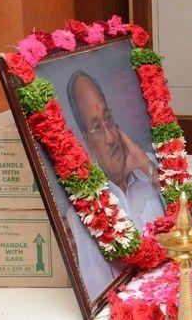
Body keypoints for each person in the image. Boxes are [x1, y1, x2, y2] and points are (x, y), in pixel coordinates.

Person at [66, 70, 165, 294]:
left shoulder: (150, 167)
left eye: (108, 119)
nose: (111, 137)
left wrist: (147, 168)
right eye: (97, 128)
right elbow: (99, 294)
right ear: (85, 138)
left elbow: (188, 220)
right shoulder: (85, 210)